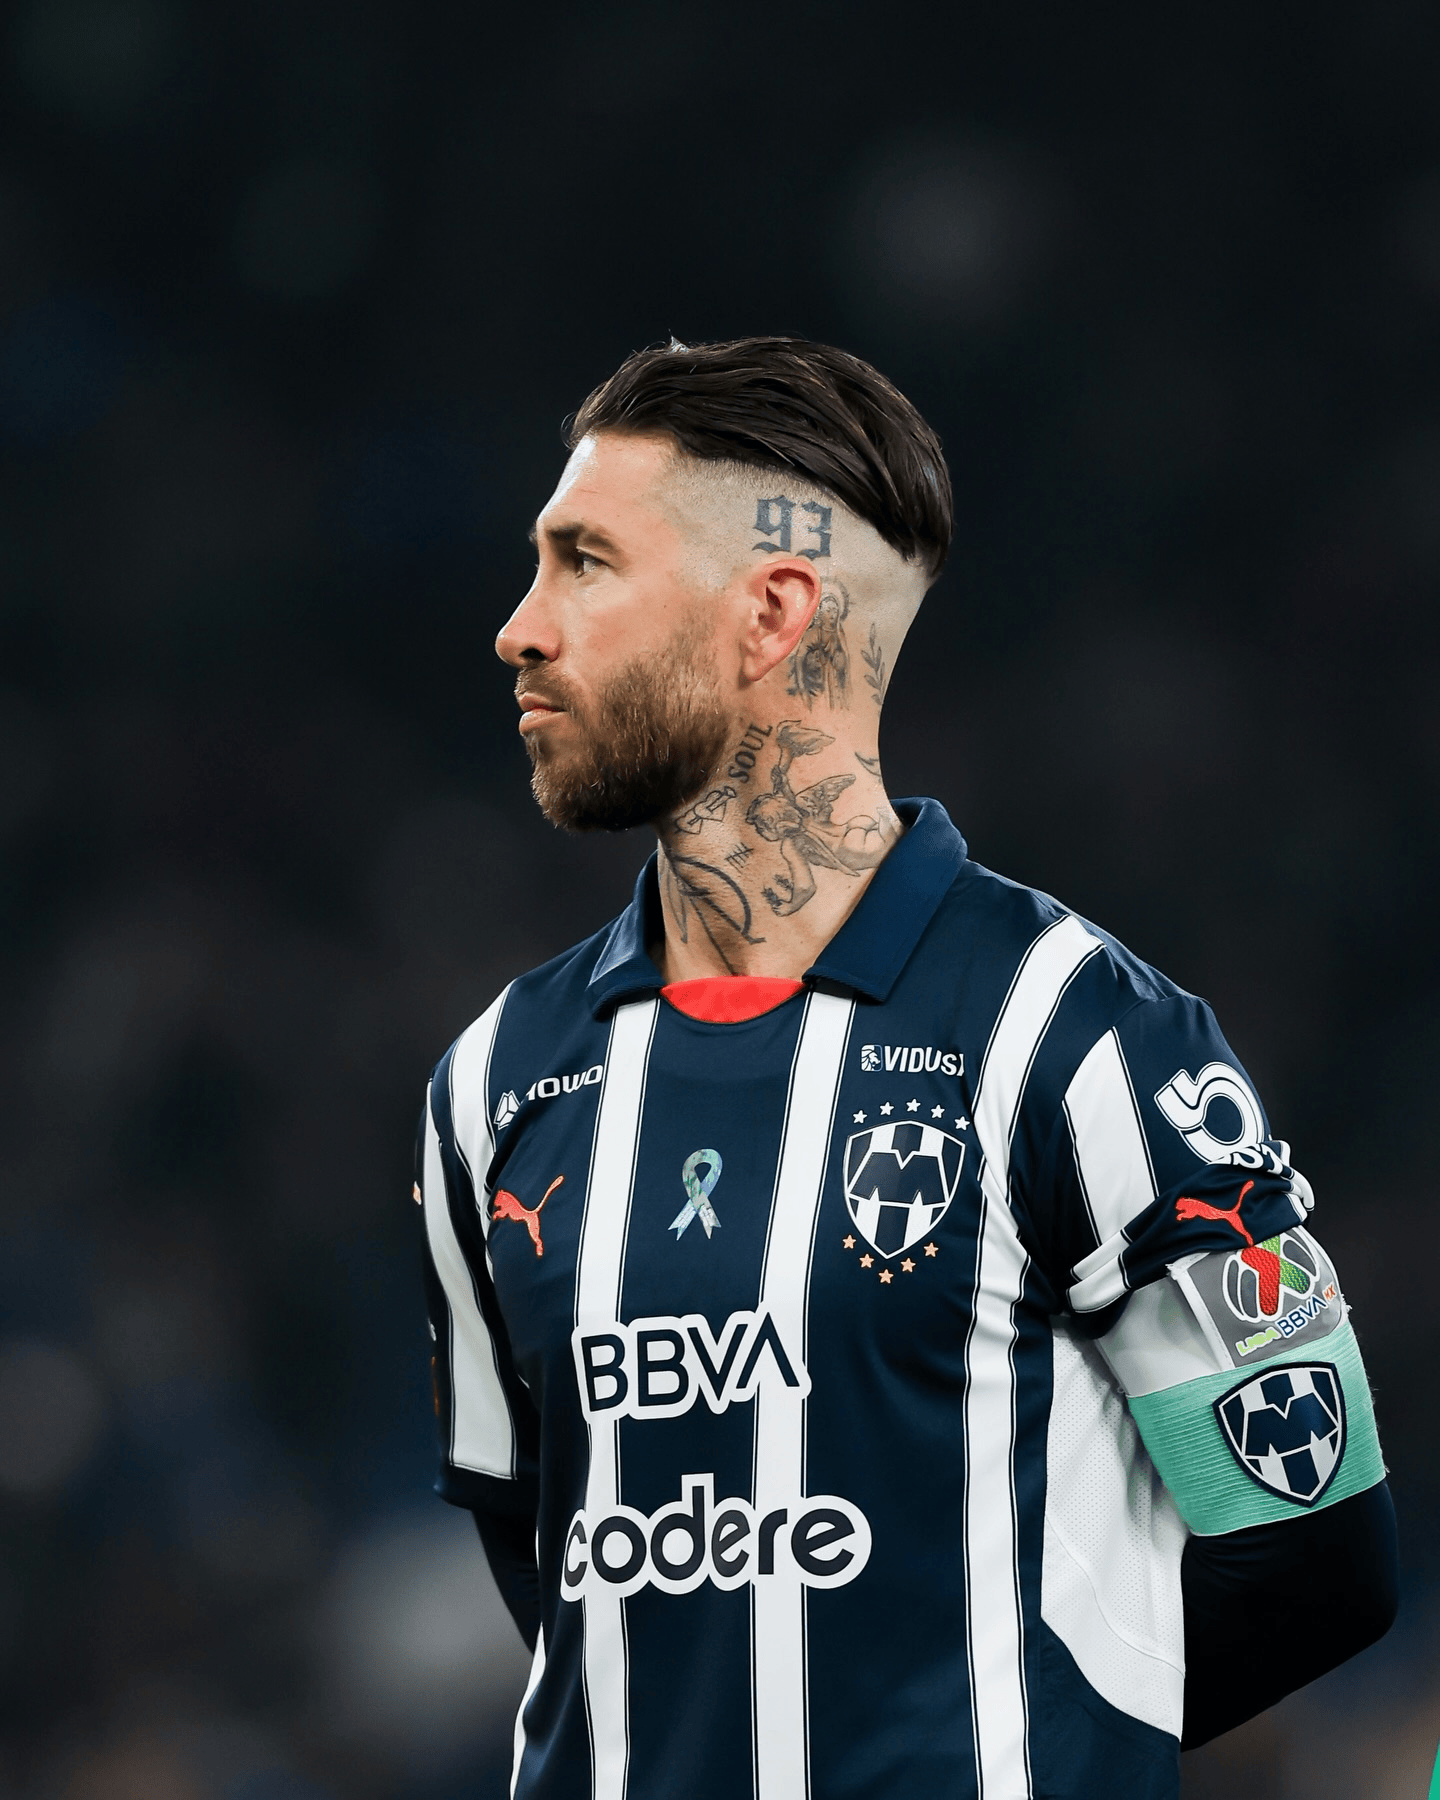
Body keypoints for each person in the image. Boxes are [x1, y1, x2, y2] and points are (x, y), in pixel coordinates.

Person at [413, 337, 1397, 1800]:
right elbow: (558, 1579)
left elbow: (1312, 1547)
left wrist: (1005, 1746)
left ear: (769, 612)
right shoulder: (496, 1085)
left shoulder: (1080, 1036)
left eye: (585, 563)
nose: (520, 628)